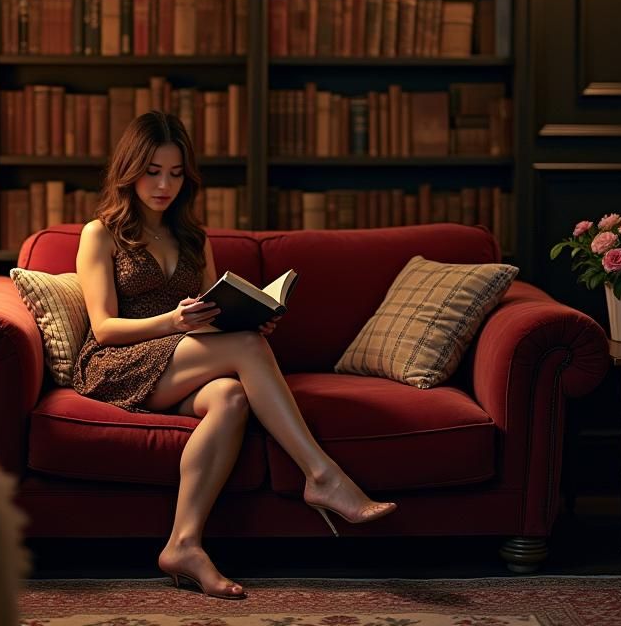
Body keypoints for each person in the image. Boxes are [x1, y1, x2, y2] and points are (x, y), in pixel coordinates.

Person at [73, 111, 396, 600]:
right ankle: (323, 476)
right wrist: (173, 323)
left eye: (176, 174)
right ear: (130, 170)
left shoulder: (194, 239)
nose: (164, 185)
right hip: (121, 362)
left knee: (230, 397)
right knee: (245, 351)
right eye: (153, 171)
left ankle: (183, 544)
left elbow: (213, 312)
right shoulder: (101, 234)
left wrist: (247, 319)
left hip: (182, 362)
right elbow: (103, 327)